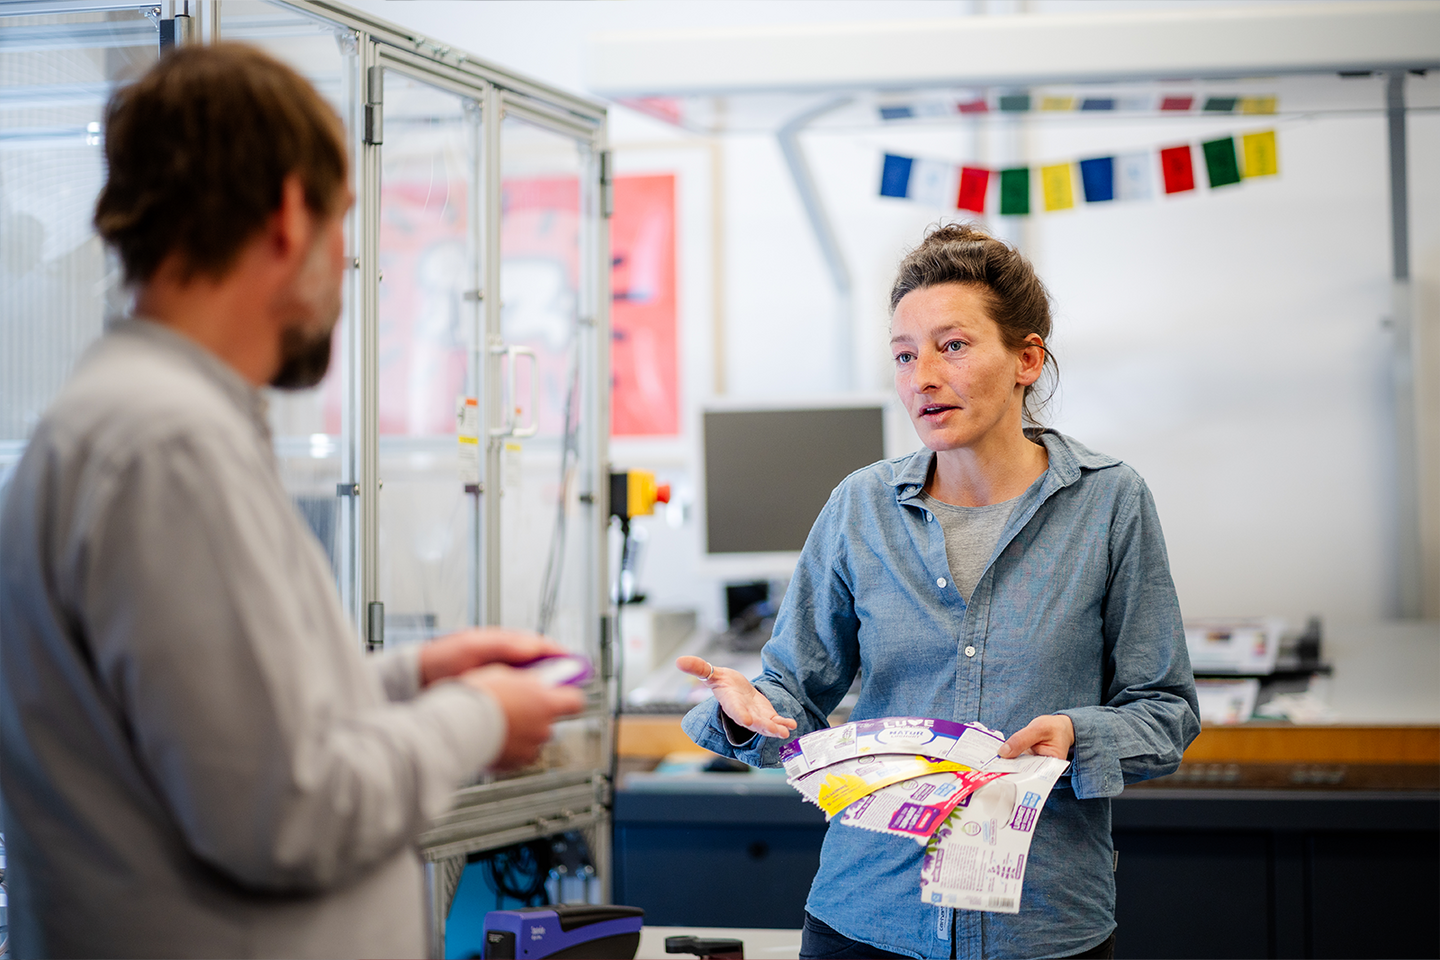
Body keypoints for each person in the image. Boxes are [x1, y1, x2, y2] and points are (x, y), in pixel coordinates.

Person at [0, 44, 584, 959]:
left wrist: (415, 676)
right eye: (343, 221)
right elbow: (284, 811)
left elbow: (220, 727)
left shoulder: (136, 421)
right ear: (286, 214)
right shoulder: (167, 448)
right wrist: (479, 718)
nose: (346, 262)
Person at [679, 224, 1200, 960]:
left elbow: (1166, 711)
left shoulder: (1110, 503)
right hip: (868, 916)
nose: (921, 376)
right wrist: (747, 711)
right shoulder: (860, 507)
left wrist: (1078, 735)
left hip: (1039, 925)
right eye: (904, 354)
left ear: (1026, 359)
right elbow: (794, 696)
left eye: (951, 346)